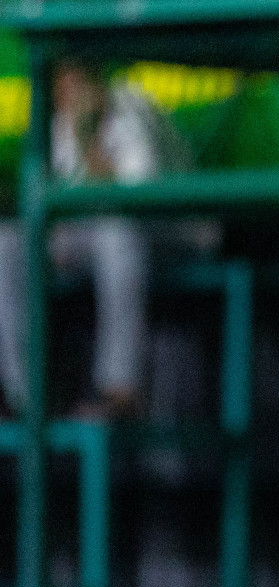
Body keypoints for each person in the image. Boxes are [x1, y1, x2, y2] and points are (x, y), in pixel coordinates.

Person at [0, 59, 197, 419]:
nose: (66, 86)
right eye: (60, 77)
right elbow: (58, 205)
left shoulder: (131, 107)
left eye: (73, 75)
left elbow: (138, 201)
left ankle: (120, 390)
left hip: (176, 233)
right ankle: (24, 398)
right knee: (8, 242)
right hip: (102, 240)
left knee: (116, 229)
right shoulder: (55, 121)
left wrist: (90, 140)